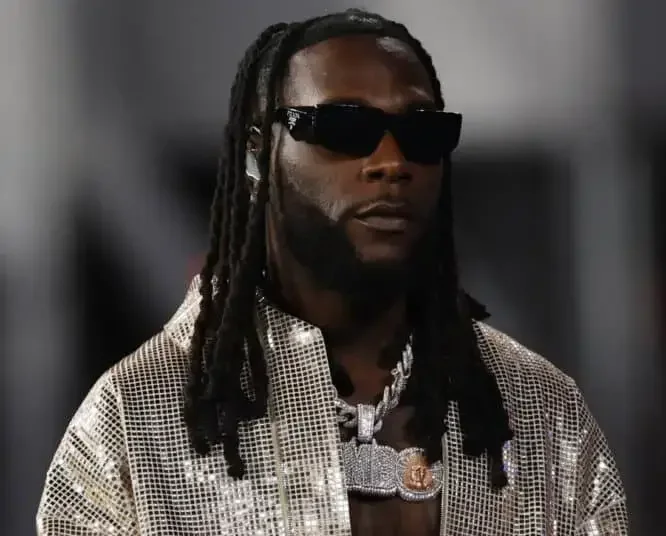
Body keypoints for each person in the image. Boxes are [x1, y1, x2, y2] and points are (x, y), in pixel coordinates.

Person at [37, 9, 628, 536]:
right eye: (344, 129)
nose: (392, 161)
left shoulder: (541, 410)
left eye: (422, 132)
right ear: (257, 153)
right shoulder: (135, 419)